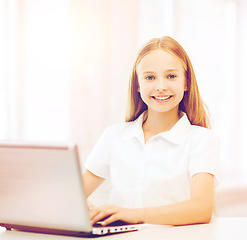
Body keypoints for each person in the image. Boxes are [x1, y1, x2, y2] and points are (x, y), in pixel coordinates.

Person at [82, 36, 219, 226]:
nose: (161, 87)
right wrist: (83, 207)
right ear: (138, 84)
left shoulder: (201, 139)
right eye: (150, 77)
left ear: (186, 82)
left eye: (171, 76)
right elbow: (74, 194)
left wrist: (132, 214)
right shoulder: (114, 136)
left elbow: (201, 209)